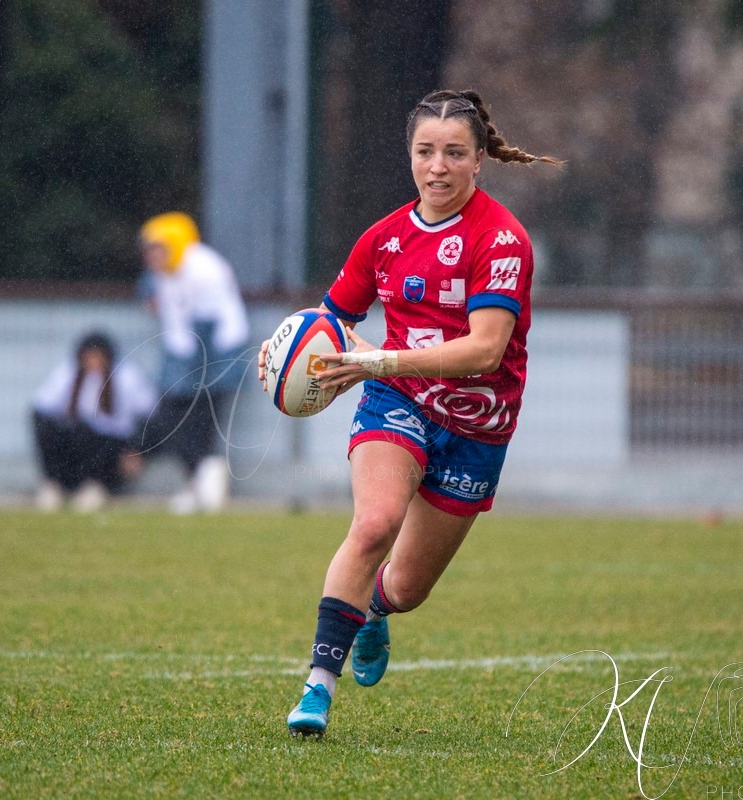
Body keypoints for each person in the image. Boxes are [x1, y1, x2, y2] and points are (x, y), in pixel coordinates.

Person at [257, 89, 562, 737]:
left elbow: (485, 350)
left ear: (479, 160)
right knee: (373, 525)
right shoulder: (384, 238)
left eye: (454, 153)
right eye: (425, 151)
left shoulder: (501, 239)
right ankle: (317, 688)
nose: (437, 166)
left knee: (409, 587)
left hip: (477, 429)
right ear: (410, 156)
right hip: (396, 404)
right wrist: (287, 352)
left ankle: (373, 613)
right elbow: (329, 321)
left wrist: (379, 359)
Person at [139, 211, 250, 514]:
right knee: (174, 418)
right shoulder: (168, 269)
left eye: (156, 249)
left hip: (216, 354)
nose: (151, 257)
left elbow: (206, 327)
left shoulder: (204, 268)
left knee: (201, 421)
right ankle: (199, 483)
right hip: (188, 355)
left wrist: (189, 375)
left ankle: (206, 485)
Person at [31, 332, 157, 512]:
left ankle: (96, 487)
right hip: (77, 442)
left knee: (93, 437)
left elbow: (151, 414)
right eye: (88, 357)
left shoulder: (126, 376)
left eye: (99, 357)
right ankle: (54, 485)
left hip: (112, 446)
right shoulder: (68, 373)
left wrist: (138, 449)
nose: (93, 363)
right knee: (53, 428)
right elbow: (41, 407)